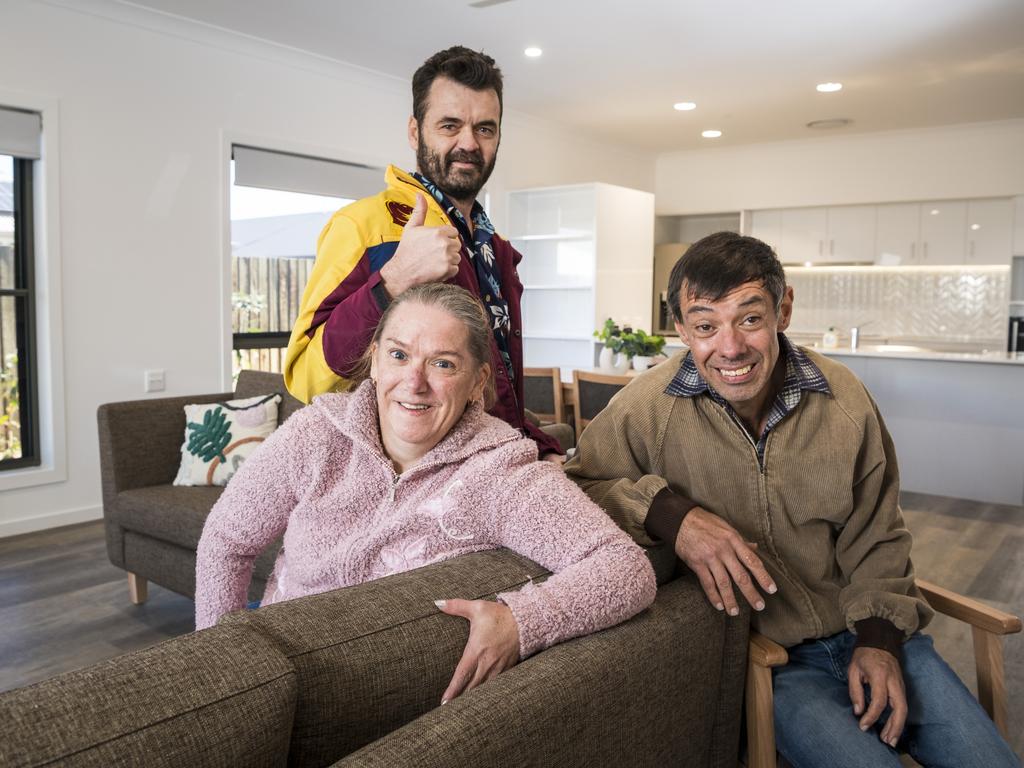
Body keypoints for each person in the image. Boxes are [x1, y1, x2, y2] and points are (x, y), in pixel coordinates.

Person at [565, 232, 1018, 767]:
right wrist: (671, 515)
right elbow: (581, 486)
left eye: (750, 319)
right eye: (706, 326)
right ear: (683, 330)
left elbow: (879, 531)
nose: (730, 347)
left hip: (874, 631)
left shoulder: (842, 395)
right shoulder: (645, 407)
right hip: (775, 663)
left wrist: (878, 639)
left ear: (783, 310)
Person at [197, 283, 656, 702]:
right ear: (375, 360)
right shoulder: (316, 433)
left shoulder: (498, 472)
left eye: (442, 363)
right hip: (272, 658)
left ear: (478, 381)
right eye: (399, 355)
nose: (414, 382)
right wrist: (219, 666)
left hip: (368, 696)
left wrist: (522, 620)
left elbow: (624, 568)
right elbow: (226, 540)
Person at [283, 45, 563, 461]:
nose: (469, 142)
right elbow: (307, 379)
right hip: (406, 484)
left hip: (490, 471)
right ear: (415, 132)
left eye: (485, 129)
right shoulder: (363, 226)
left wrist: (535, 446)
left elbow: (492, 383)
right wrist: (392, 280)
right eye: (449, 125)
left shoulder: (494, 250)